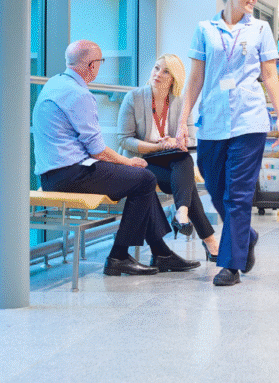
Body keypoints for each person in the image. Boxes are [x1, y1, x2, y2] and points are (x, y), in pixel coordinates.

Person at [33, 40, 200, 276]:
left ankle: (162, 253)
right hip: (71, 173)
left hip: (53, 173)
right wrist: (128, 162)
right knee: (143, 179)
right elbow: (98, 150)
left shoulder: (55, 83)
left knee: (141, 178)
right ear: (92, 65)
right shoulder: (79, 94)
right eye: (100, 62)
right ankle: (118, 256)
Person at [177, 0, 279, 287]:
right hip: (212, 120)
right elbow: (196, 76)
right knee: (216, 187)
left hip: (249, 118)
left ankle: (230, 264)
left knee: (238, 195)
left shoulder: (261, 29)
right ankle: (246, 236)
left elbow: (269, 75)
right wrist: (183, 118)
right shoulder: (204, 30)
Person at [116, 54, 219, 263]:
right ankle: (208, 239)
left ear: (174, 78)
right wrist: (156, 146)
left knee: (184, 161)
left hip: (170, 162)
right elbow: (124, 140)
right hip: (141, 162)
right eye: (156, 68)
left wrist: (175, 140)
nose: (158, 74)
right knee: (186, 179)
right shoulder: (134, 98)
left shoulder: (180, 102)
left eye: (165, 72)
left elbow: (189, 138)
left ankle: (182, 213)